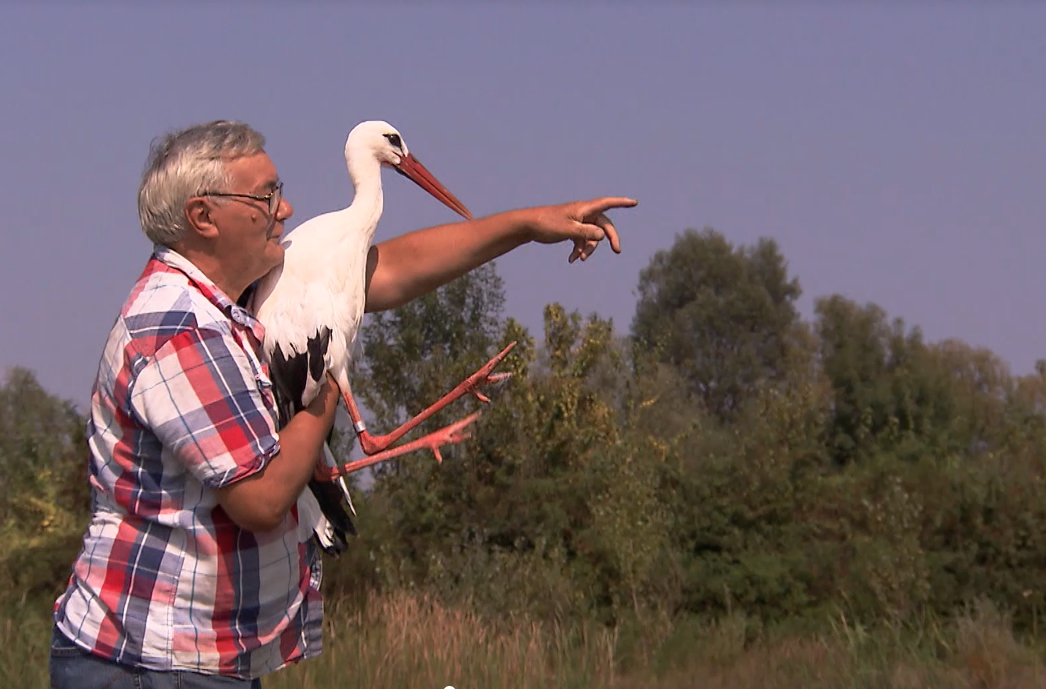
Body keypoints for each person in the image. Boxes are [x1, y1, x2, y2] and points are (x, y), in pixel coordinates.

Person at [48, 119, 636, 688]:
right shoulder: (180, 329)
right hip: (150, 663)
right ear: (204, 216)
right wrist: (328, 390)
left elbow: (388, 268)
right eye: (266, 195)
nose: (286, 209)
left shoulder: (241, 299)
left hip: (195, 657)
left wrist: (530, 223)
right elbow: (261, 497)